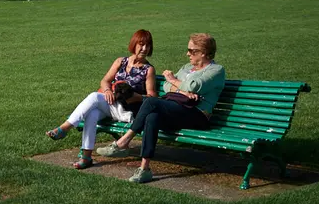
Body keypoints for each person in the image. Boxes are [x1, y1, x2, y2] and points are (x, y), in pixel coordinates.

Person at [97, 33, 226, 183]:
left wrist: (174, 80)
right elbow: (166, 86)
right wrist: (182, 90)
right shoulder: (187, 68)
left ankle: (124, 141)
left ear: (203, 52)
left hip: (198, 115)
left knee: (152, 103)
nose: (187, 54)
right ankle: (144, 169)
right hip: (177, 109)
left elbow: (193, 85)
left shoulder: (216, 70)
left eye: (191, 51)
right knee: (153, 116)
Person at [46, 30, 157, 169]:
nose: (145, 49)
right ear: (134, 44)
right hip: (111, 105)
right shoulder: (121, 61)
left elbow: (153, 97)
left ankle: (65, 127)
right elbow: (105, 80)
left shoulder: (148, 69)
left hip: (126, 110)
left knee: (93, 97)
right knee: (92, 113)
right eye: (141, 44)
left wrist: (136, 96)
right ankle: (86, 157)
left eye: (148, 45)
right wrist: (107, 90)